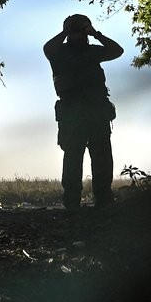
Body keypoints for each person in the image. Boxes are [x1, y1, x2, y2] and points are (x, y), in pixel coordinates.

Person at [43, 14, 124, 210]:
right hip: (72, 111)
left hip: (96, 110)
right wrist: (66, 31)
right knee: (73, 156)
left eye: (82, 30)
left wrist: (96, 34)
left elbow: (117, 51)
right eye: (76, 30)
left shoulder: (93, 51)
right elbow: (47, 48)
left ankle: (103, 198)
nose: (80, 34)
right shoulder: (58, 52)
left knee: (102, 155)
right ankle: (71, 201)